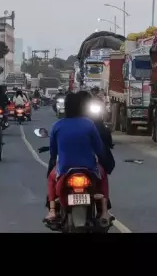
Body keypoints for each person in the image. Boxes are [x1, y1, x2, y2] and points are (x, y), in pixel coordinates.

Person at [44, 93, 109, 223]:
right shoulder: (89, 124)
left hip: (64, 169)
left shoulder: (57, 126)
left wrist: (54, 158)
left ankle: (52, 211)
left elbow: (53, 152)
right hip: (89, 169)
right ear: (81, 107)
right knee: (103, 176)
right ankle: (104, 212)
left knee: (51, 178)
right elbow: (99, 148)